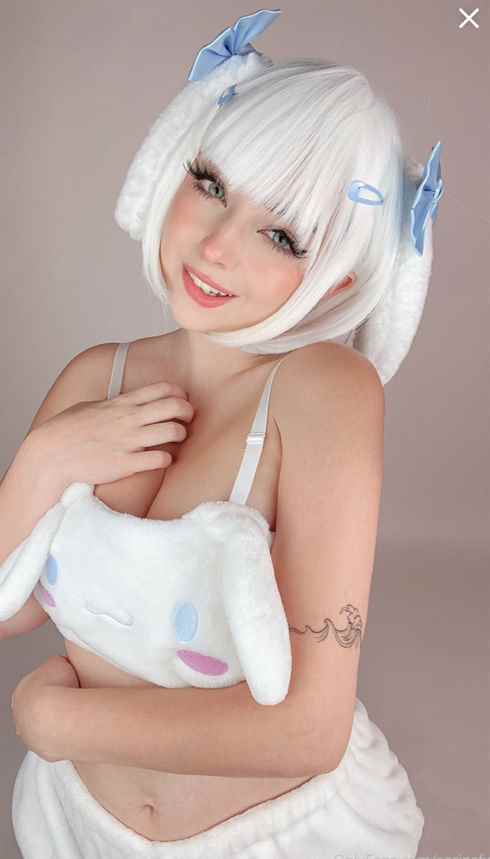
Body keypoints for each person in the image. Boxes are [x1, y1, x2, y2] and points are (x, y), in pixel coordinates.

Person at [2, 9, 444, 858]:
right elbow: (9, 604)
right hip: (69, 829)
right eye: (210, 184)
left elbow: (310, 727)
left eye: (280, 234)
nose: (214, 246)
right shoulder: (97, 376)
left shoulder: (326, 393)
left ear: (336, 278)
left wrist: (56, 720)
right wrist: (43, 458)